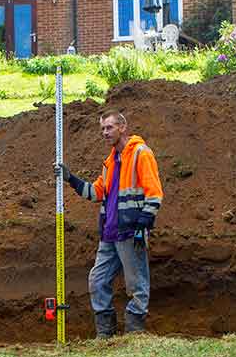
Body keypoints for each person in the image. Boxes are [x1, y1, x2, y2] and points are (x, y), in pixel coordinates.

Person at [57, 111, 163, 338]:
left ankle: (135, 334)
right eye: (102, 129)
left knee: (136, 286)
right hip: (109, 234)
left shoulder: (140, 154)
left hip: (130, 232)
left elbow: (154, 194)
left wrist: (143, 224)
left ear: (122, 127)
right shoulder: (110, 162)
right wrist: (70, 178)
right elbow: (96, 192)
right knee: (97, 280)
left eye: (109, 127)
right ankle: (106, 335)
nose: (105, 133)